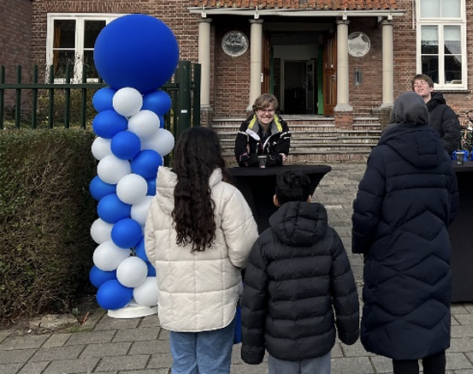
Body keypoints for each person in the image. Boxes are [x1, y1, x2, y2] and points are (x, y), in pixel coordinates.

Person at [352, 92, 459, 374]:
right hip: (434, 252)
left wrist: (362, 245)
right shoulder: (440, 153)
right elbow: (453, 204)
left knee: (402, 334)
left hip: (393, 255)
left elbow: (366, 208)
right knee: (433, 327)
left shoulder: (384, 154)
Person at [144, 127, 259, 374]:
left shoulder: (159, 200)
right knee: (214, 366)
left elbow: (152, 251)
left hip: (176, 299)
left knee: (183, 365)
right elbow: (244, 251)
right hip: (218, 299)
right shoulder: (228, 195)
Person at [240, 170, 360, 373]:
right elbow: (345, 291)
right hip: (318, 338)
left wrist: (252, 348)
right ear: (309, 198)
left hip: (281, 341)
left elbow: (253, 301)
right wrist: (349, 332)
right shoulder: (330, 238)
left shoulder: (265, 243)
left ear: (275, 200)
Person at [235, 93, 291, 167]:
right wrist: (271, 159)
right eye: (263, 110)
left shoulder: (283, 127)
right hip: (250, 172)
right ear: (256, 111)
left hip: (274, 172)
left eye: (270, 110)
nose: (267, 113)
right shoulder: (246, 127)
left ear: (274, 111)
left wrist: (253, 158)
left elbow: (280, 158)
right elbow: (241, 158)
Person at [411, 74, 461, 155]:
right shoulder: (410, 112)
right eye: (415, 85)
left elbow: (452, 139)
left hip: (437, 159)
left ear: (431, 88)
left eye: (422, 83)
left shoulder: (444, 111)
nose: (419, 86)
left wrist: (431, 150)